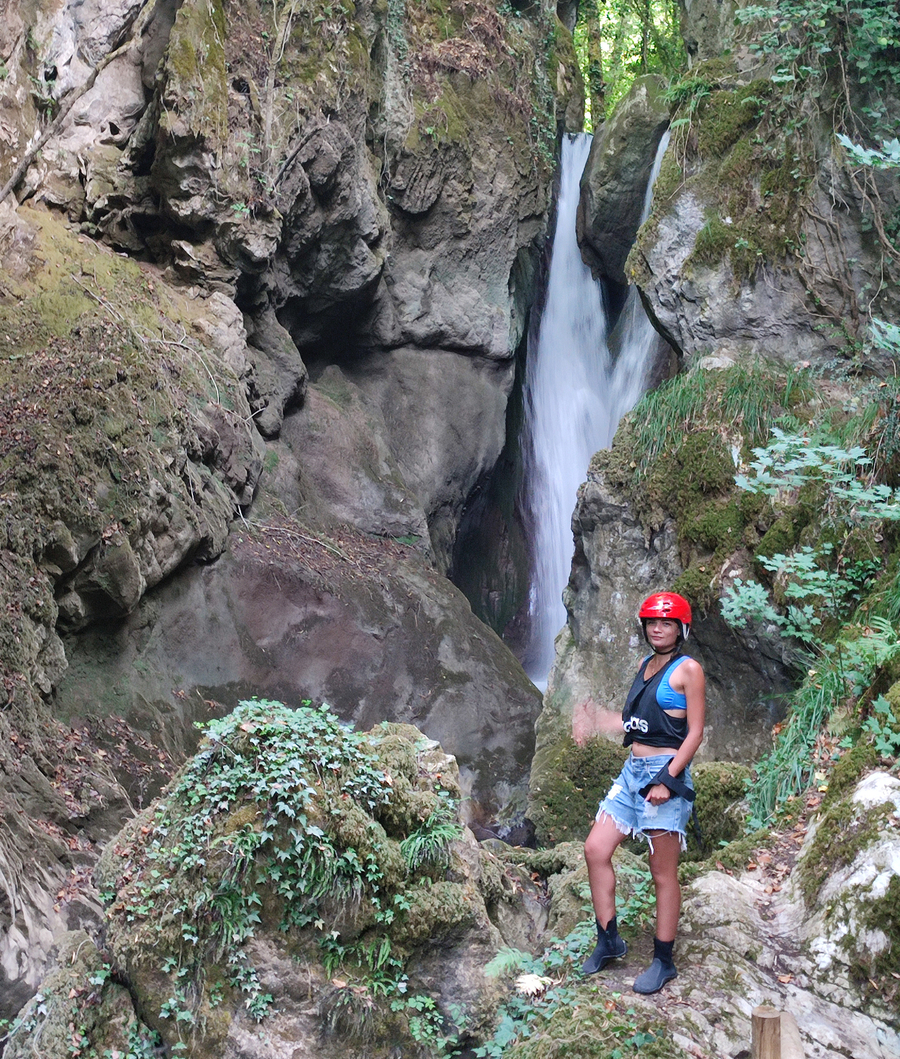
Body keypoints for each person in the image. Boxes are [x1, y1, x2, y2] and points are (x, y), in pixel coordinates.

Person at [581, 591, 706, 994]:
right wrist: (595, 719)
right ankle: (609, 939)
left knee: (662, 872)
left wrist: (667, 781)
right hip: (632, 772)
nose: (658, 628)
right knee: (595, 849)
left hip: (665, 773)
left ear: (680, 629)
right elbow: (635, 723)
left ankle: (663, 960)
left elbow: (695, 732)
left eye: (666, 623)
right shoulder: (644, 665)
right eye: (652, 622)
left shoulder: (688, 670)